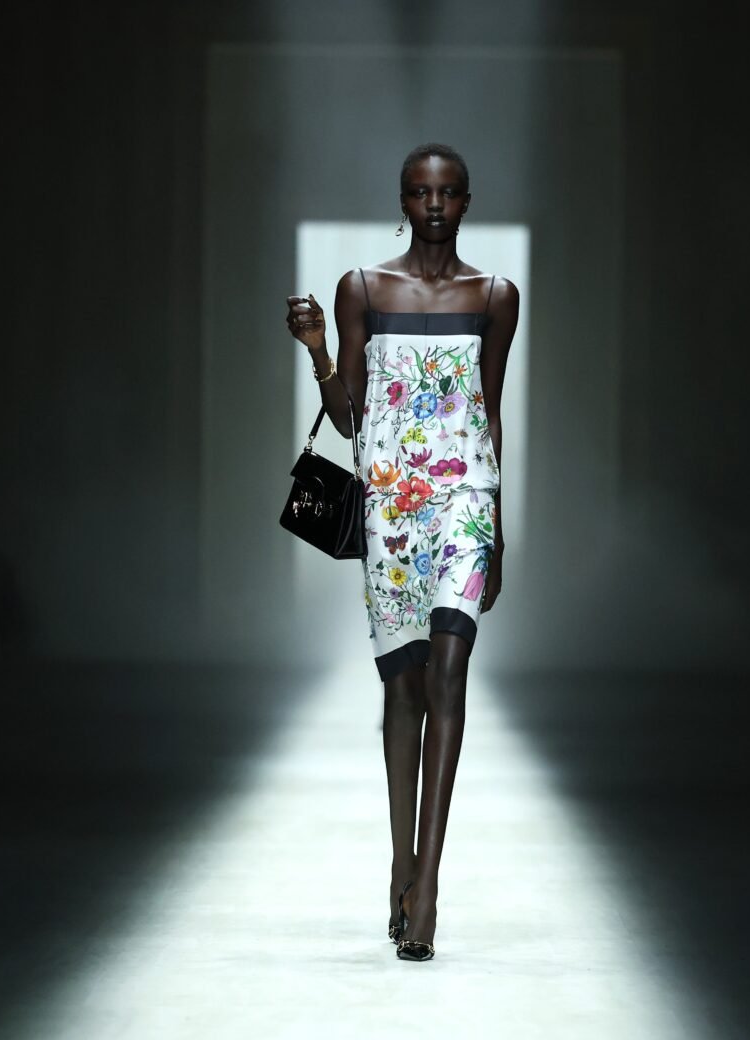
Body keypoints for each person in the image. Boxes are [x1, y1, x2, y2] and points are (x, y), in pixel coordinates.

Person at [283, 142, 519, 962]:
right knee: (405, 688)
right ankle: (401, 864)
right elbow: (350, 416)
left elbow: (490, 412)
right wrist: (318, 349)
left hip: (463, 503)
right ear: (403, 200)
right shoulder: (362, 288)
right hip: (391, 504)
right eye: (421, 192)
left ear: (467, 201)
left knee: (449, 673)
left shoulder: (495, 296)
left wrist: (497, 530)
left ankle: (430, 889)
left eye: (448, 192)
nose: (434, 205)